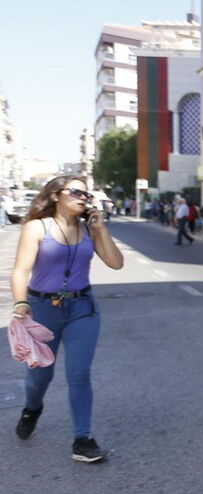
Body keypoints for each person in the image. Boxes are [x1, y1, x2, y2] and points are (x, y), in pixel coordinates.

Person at [10, 176, 124, 462]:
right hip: (42, 309)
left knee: (79, 373)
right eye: (76, 192)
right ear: (56, 196)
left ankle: (82, 439)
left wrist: (101, 229)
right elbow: (21, 270)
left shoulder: (89, 229)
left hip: (82, 308)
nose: (83, 198)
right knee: (40, 377)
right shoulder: (38, 227)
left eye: (86, 195)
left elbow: (116, 263)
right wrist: (21, 301)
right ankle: (32, 408)